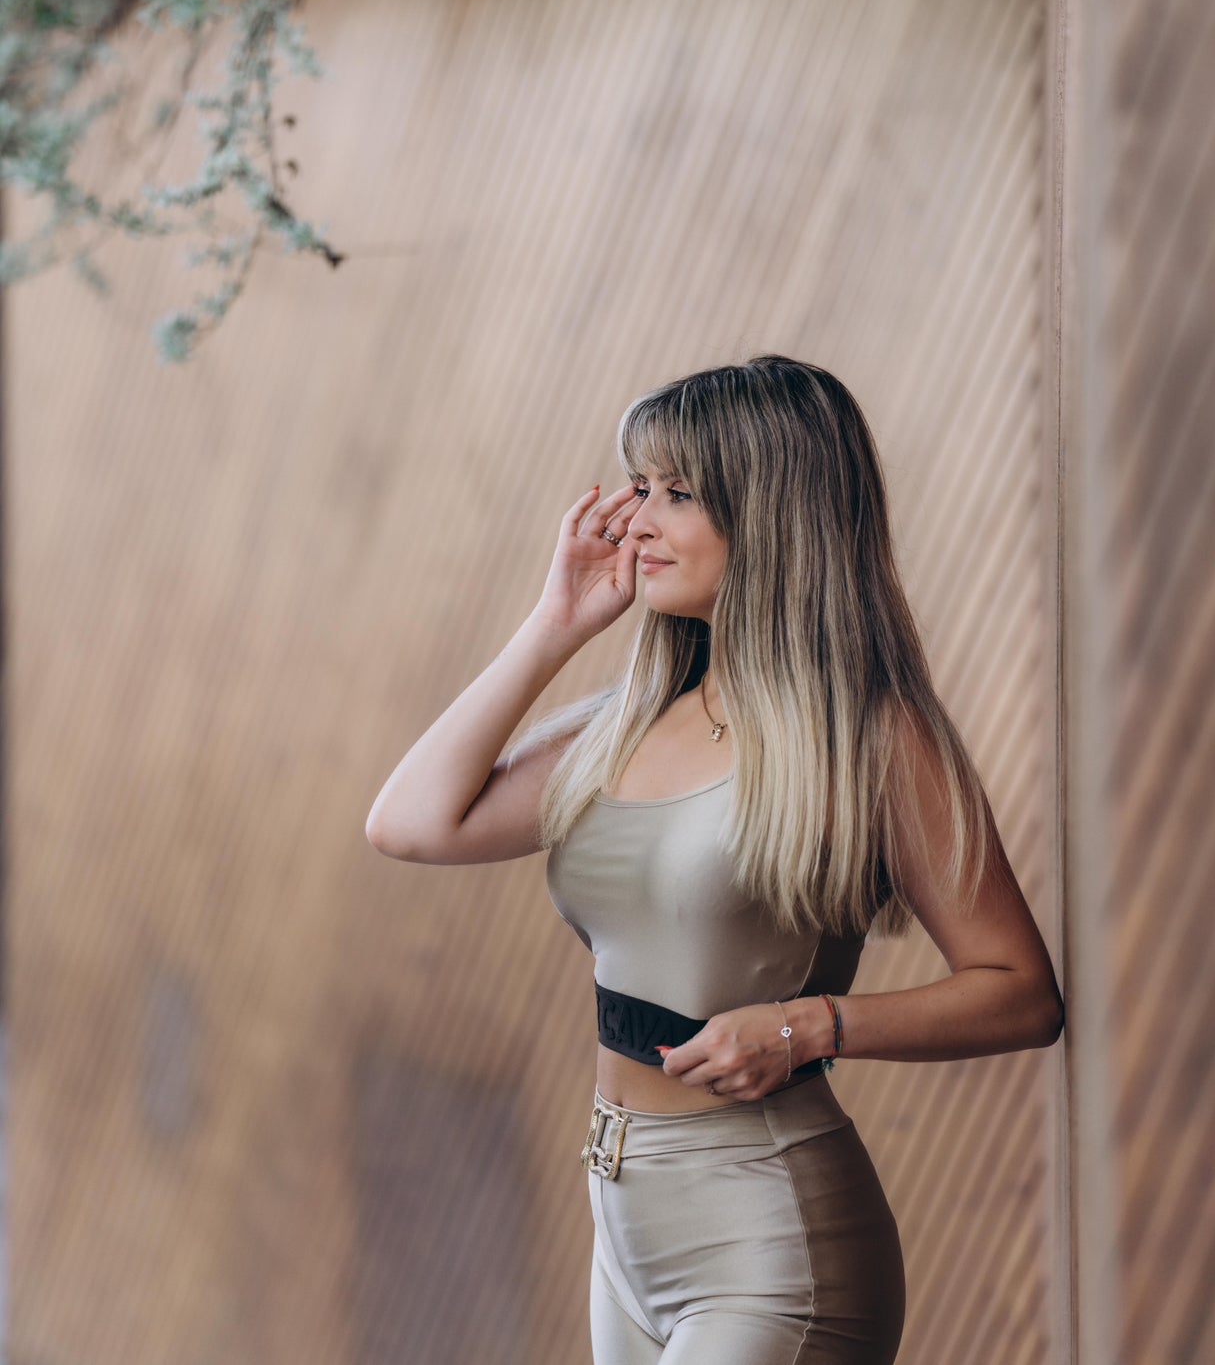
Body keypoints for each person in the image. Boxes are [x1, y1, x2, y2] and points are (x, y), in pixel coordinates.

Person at [366, 353, 1065, 1364]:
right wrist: (555, 623)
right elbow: (410, 821)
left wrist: (810, 1024)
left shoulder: (869, 739)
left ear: (772, 514)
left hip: (768, 1234)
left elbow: (1021, 991)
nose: (637, 518)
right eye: (638, 486)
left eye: (678, 494)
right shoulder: (621, 727)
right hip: (620, 1223)